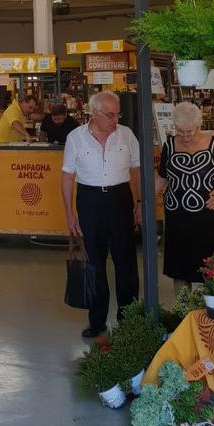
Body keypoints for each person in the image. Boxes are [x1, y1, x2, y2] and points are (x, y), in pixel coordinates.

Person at [60, 91, 141, 339]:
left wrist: (138, 203)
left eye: (118, 114)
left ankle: (129, 320)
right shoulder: (76, 138)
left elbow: (136, 170)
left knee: (126, 261)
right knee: (93, 263)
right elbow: (66, 177)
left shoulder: (126, 135)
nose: (115, 119)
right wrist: (69, 213)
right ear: (93, 113)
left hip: (120, 199)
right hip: (90, 200)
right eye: (110, 115)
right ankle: (97, 321)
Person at [156, 102, 214, 295]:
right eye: (180, 132)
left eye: (191, 132)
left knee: (209, 267)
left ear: (199, 126)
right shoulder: (169, 146)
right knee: (179, 267)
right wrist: (143, 203)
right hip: (177, 216)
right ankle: (183, 311)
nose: (186, 137)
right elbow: (162, 176)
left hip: (208, 216)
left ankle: (207, 312)